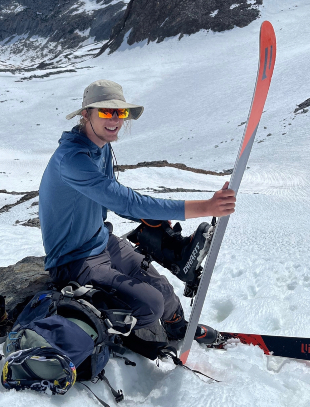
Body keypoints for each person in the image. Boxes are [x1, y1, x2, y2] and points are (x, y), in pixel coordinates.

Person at [38, 79, 236, 352]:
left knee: (164, 292)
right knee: (150, 305)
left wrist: (153, 220)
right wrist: (205, 207)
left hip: (102, 241)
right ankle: (103, 329)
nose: (116, 120)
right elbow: (125, 202)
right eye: (107, 112)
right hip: (74, 260)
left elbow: (114, 203)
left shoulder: (101, 146)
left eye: (121, 112)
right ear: (86, 114)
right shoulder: (72, 160)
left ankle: (177, 328)